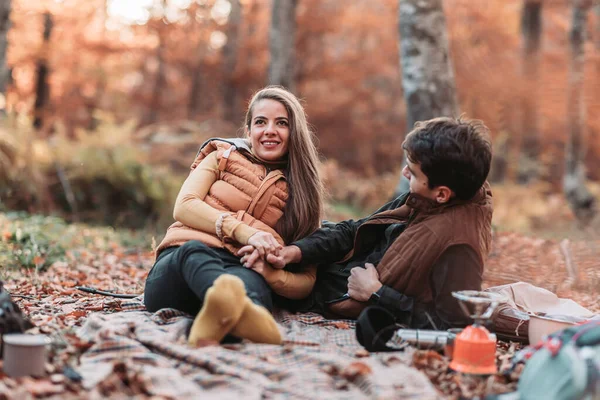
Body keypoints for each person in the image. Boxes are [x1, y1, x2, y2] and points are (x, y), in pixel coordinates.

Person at [240, 116, 493, 330]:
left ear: (442, 193)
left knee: (243, 273)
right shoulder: (426, 200)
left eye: (413, 172)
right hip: (327, 270)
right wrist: (294, 252)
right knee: (267, 239)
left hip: (323, 291)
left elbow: (453, 324)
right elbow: (356, 230)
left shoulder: (460, 246)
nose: (405, 173)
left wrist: (376, 293)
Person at [144, 86, 324, 346]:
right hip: (179, 265)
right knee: (195, 253)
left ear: (294, 132)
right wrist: (246, 232)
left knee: (254, 293)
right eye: (260, 122)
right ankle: (233, 312)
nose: (270, 130)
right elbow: (184, 205)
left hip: (242, 268)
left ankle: (214, 325)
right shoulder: (222, 156)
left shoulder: (303, 192)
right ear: (248, 131)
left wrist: (271, 274)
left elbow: (307, 280)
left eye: (282, 123)